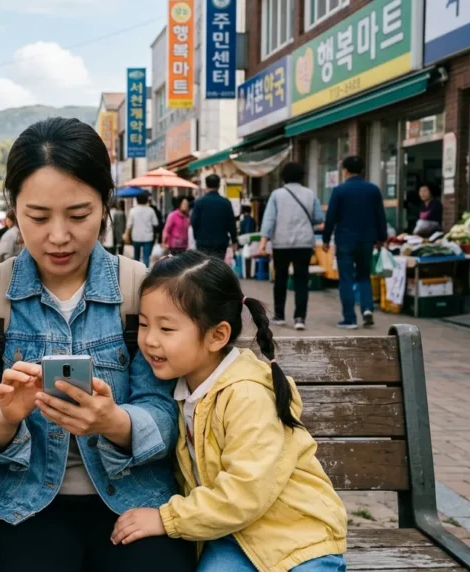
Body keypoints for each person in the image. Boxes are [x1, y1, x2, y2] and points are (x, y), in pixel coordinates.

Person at [0, 117, 191, 572]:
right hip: (21, 507)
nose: (58, 236)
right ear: (13, 208)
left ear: (105, 204)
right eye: (38, 217)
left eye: (79, 215)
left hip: (134, 500)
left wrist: (114, 422)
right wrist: (6, 417)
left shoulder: (141, 289)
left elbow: (165, 414)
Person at [110, 251, 348, 572]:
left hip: (297, 538)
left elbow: (244, 491)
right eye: (143, 324)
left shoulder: (246, 394)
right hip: (231, 537)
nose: (149, 340)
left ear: (217, 336)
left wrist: (167, 519)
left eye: (166, 329)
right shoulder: (181, 390)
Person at [257, 162, 325, 331]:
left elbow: (269, 220)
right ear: (302, 177)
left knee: (280, 278)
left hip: (281, 243)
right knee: (302, 280)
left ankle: (279, 316)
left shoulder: (277, 195)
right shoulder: (310, 194)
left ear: (283, 177)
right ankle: (300, 318)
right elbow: (318, 217)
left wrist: (263, 243)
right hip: (304, 243)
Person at [322, 156, 387, 329]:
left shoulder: (339, 191)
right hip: (367, 240)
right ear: (362, 170)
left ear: (345, 170)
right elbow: (380, 216)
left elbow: (331, 217)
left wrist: (326, 239)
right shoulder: (373, 190)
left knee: (346, 279)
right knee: (364, 276)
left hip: (345, 240)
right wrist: (381, 237)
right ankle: (367, 309)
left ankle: (349, 318)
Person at [190, 175, 238, 262]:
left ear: (206, 185)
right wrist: (234, 239)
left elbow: (194, 221)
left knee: (203, 266)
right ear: (219, 185)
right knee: (217, 266)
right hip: (220, 243)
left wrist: (197, 236)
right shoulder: (226, 203)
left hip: (203, 242)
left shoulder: (199, 202)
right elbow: (231, 223)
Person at [127, 193, 160, 264]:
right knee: (146, 257)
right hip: (148, 237)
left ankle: (136, 270)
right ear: (146, 200)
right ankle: (145, 270)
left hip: (136, 237)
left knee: (136, 257)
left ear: (137, 200)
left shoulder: (132, 210)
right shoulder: (151, 210)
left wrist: (126, 234)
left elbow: (129, 225)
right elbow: (155, 223)